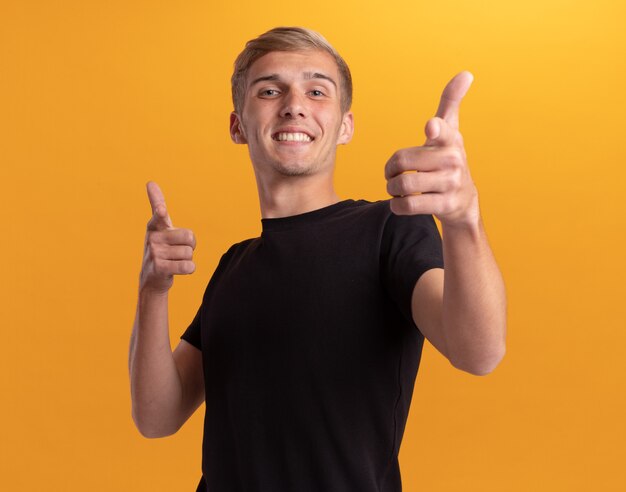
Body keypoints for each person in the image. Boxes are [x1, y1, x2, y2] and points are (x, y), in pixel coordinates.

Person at [128, 26, 507, 491]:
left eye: (316, 90)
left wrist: (463, 220)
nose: (294, 103)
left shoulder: (388, 229)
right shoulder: (234, 266)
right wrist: (152, 293)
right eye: (270, 90)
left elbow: (479, 351)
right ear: (237, 126)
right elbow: (156, 417)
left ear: (345, 125)